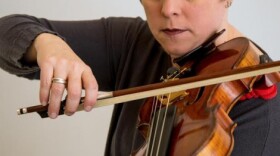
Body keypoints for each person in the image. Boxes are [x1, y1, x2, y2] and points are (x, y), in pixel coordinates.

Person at [1, 0, 280, 155]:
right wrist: (49, 45)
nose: (168, 8)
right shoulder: (135, 42)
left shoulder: (260, 105)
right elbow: (8, 30)